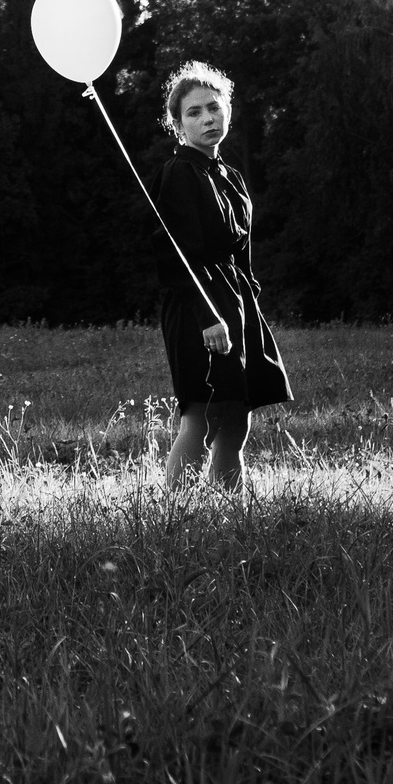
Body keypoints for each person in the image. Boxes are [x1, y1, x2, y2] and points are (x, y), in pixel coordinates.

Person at [154, 60, 292, 490]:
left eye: (213, 107)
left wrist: (247, 307)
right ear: (177, 125)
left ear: (227, 110)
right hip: (201, 303)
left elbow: (242, 253)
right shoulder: (179, 173)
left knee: (236, 418)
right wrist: (208, 314)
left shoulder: (228, 175)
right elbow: (175, 256)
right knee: (202, 414)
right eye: (193, 112)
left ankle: (227, 516)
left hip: (237, 304)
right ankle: (177, 516)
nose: (207, 118)